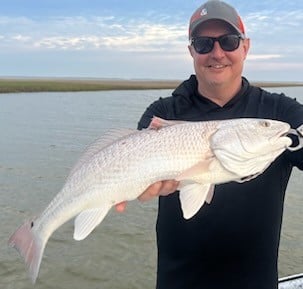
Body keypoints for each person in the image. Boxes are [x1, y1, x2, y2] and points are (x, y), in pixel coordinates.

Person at [116, 1, 303, 288]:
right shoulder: (162, 115)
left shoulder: (280, 114)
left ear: (245, 46)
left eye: (228, 41)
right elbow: (136, 176)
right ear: (191, 50)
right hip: (177, 282)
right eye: (204, 44)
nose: (217, 53)